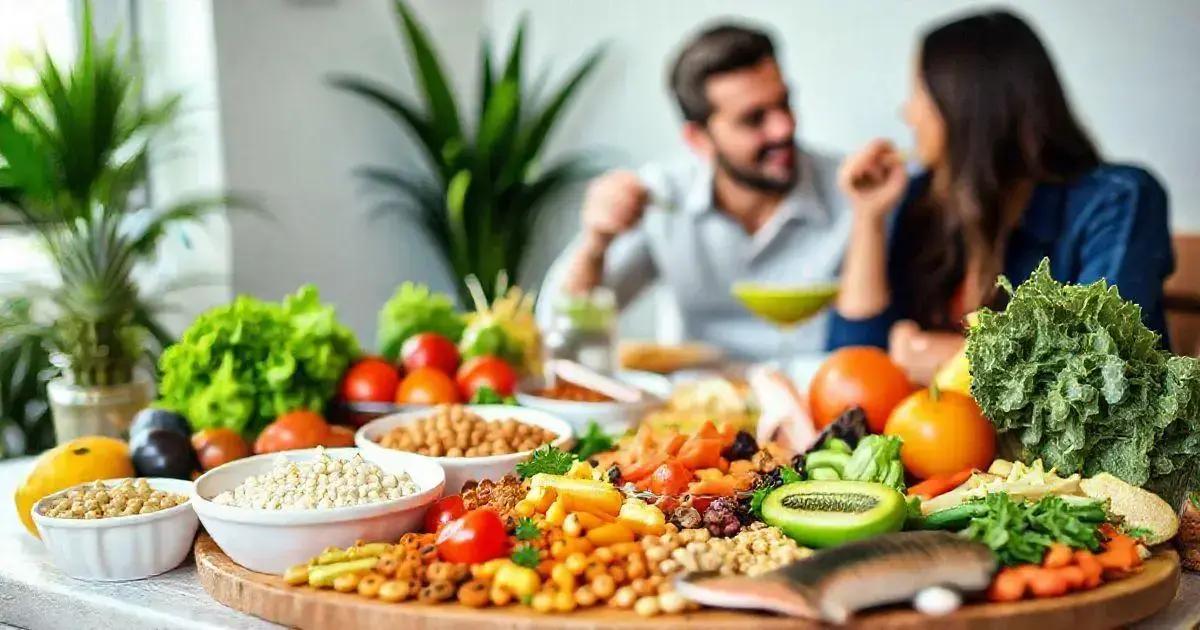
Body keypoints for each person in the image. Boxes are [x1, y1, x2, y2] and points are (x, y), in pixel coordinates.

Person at [830, 9, 1172, 383]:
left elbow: (1102, 370)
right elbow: (852, 365)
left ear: (967, 107)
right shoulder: (922, 201)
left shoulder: (1119, 199)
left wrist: (955, 357)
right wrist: (868, 218)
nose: (907, 113)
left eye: (919, 93)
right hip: (939, 439)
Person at [538, 24, 850, 362]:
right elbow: (555, 327)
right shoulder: (662, 196)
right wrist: (596, 242)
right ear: (698, 140)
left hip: (818, 403)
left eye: (784, 103)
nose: (784, 128)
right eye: (753, 119)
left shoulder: (851, 190)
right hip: (695, 405)